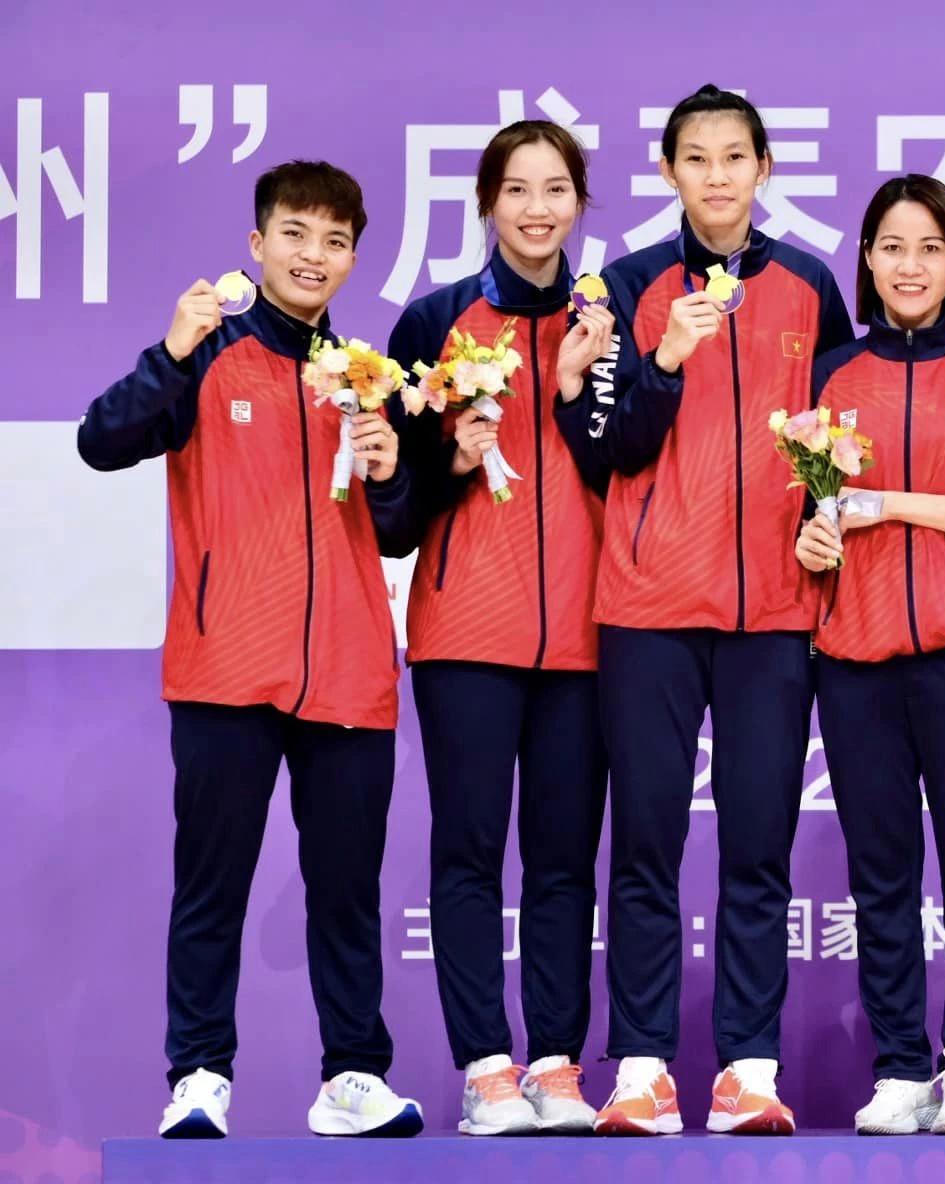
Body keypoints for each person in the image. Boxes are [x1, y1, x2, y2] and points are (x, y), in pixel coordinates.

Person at [77, 160, 423, 1139]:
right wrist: (170, 351)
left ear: (353, 259)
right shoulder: (208, 355)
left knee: (347, 894)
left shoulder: (365, 377)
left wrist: (392, 471)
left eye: (335, 242)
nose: (314, 256)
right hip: (224, 666)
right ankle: (198, 1077)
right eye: (296, 235)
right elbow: (101, 440)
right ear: (257, 243)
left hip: (349, 673)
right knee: (212, 887)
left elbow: (397, 533)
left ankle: (352, 1076)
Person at [569, 84, 852, 1136]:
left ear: (764, 168)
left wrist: (820, 527)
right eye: (697, 158)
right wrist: (663, 360)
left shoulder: (811, 285)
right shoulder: (628, 285)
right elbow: (605, 446)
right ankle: (642, 1066)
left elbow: (837, 440)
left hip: (774, 611)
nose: (718, 175)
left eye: (736, 156)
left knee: (757, 845)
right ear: (668, 171)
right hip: (648, 605)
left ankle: (747, 1068)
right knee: (645, 841)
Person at [796, 173, 945, 1136]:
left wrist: (885, 504)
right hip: (854, 657)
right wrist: (815, 538)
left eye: (930, 249)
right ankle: (900, 1067)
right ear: (867, 259)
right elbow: (798, 511)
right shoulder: (830, 376)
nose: (910, 266)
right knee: (881, 875)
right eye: (892, 247)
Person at [386, 119, 616, 1136]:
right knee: (470, 852)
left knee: (564, 859)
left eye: (556, 188)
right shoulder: (435, 321)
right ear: (487, 201)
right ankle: (486, 1066)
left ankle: (557, 1064)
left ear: (580, 202)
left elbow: (632, 456)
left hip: (588, 633)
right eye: (516, 188)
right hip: (464, 631)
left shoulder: (609, 321)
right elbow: (393, 514)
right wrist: (451, 459)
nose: (536, 208)